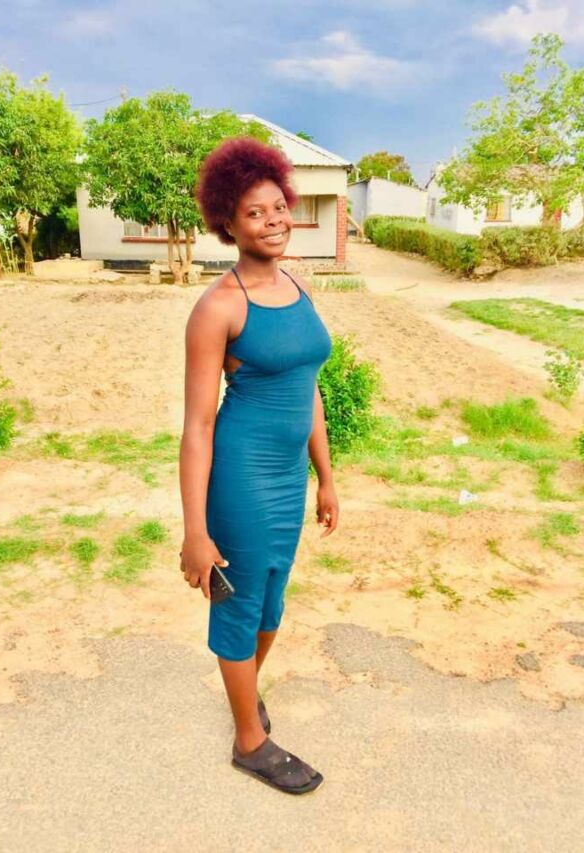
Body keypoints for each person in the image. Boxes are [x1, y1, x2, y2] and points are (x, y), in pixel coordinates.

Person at [178, 136, 339, 795]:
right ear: (229, 222)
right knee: (241, 601)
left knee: (272, 598)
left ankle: (244, 694)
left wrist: (326, 476)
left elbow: (309, 388)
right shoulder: (219, 306)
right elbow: (197, 426)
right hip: (241, 478)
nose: (273, 220)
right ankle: (250, 740)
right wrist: (195, 531)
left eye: (279, 207)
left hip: (288, 477)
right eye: (254, 212)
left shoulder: (298, 285)